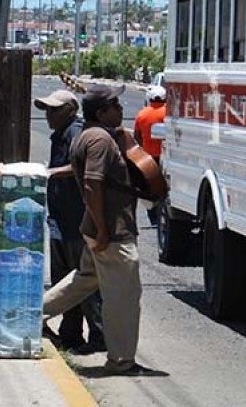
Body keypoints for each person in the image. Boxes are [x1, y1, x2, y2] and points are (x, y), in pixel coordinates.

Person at [43, 82, 146, 375]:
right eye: (116, 106)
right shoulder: (99, 140)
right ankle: (121, 360)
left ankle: (28, 315)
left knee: (83, 281)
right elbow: (91, 184)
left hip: (98, 228)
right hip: (111, 232)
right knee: (123, 296)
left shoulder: (88, 135)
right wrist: (102, 230)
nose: (122, 110)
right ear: (102, 112)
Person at [35, 89, 105, 354]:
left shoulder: (76, 132)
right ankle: (71, 334)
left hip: (76, 221)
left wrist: (50, 173)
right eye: (46, 110)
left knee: (82, 283)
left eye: (54, 110)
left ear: (69, 110)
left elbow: (83, 167)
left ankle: (98, 336)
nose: (48, 115)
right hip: (61, 221)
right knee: (63, 280)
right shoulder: (60, 134)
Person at [133, 85, 166, 226]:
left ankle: (153, 219)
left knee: (149, 188)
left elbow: (137, 136)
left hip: (149, 158)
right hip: (166, 157)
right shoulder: (168, 113)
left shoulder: (142, 114)